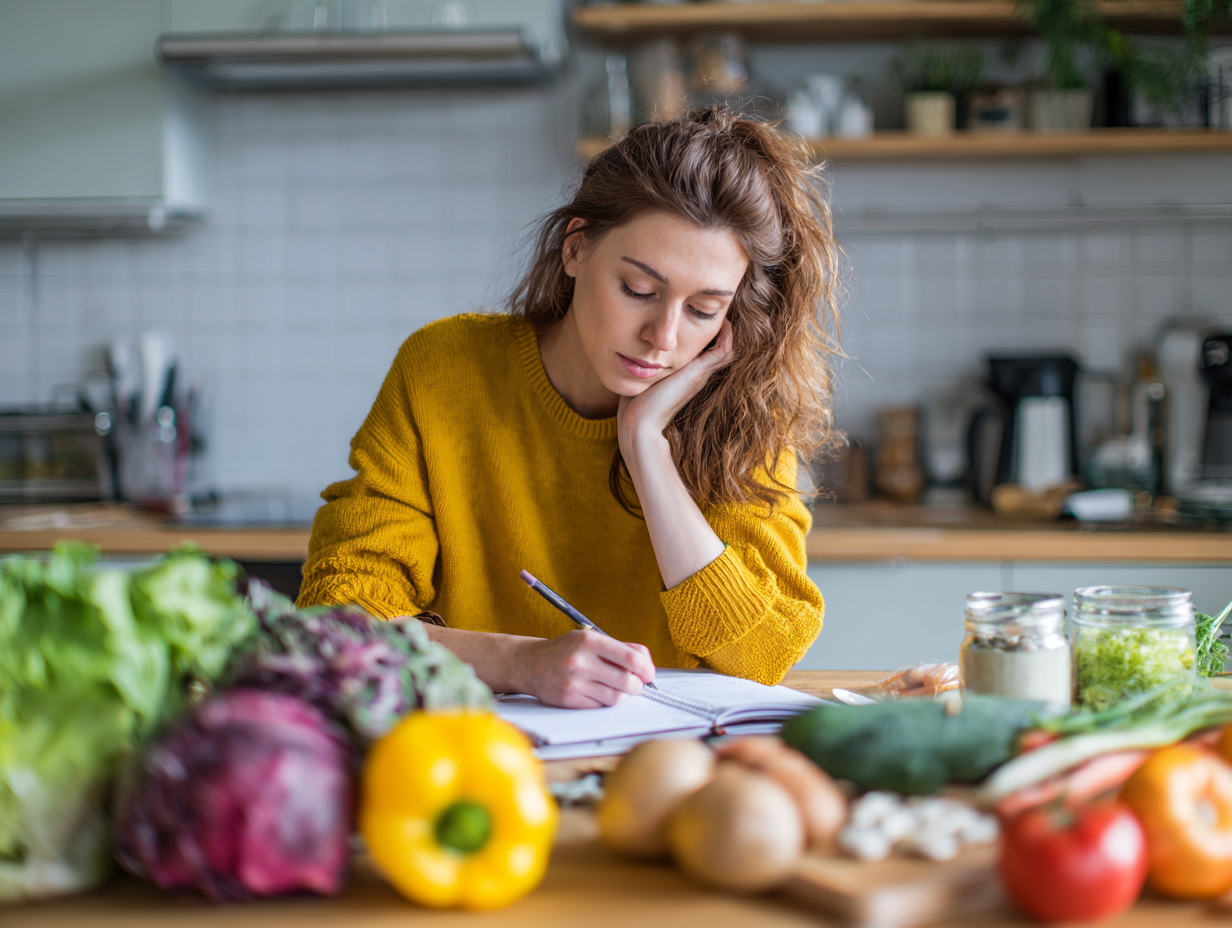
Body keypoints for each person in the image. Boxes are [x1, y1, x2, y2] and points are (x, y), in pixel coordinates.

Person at [297, 107, 841, 709]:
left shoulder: (743, 406)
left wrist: (646, 448)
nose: (662, 337)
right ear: (576, 248)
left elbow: (765, 651)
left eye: (703, 310)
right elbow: (338, 620)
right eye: (638, 290)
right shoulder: (443, 370)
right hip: (475, 746)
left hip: (670, 764)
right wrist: (520, 662)